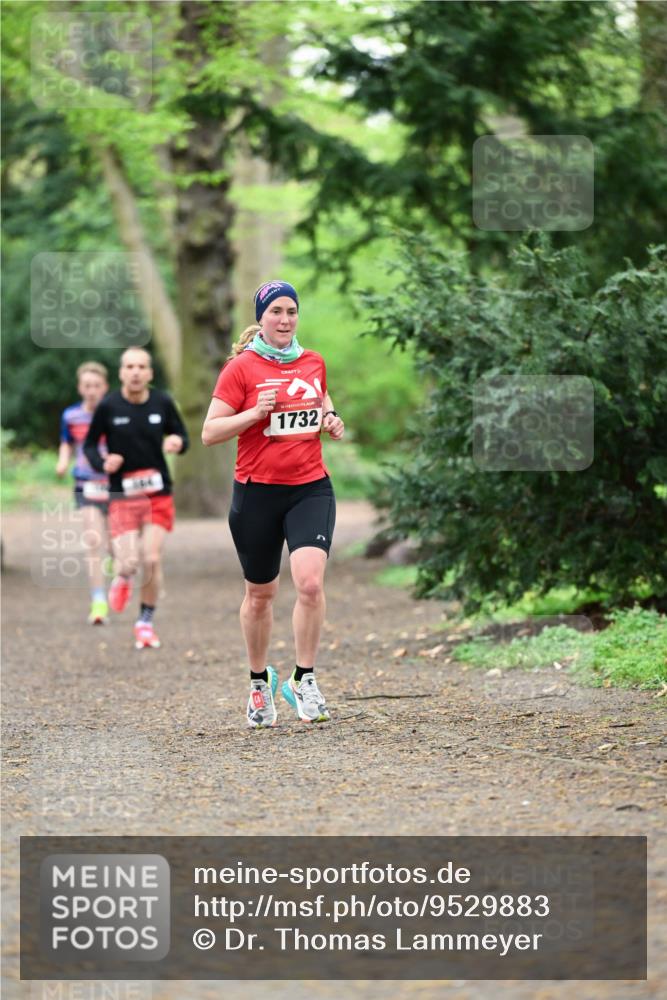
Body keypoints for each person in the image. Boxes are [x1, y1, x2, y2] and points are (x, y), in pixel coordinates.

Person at [202, 280, 345, 728]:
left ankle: (304, 680)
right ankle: (260, 682)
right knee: (260, 596)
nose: (285, 320)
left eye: (291, 311)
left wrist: (332, 421)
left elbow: (323, 405)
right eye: (276, 312)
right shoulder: (241, 370)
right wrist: (253, 414)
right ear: (261, 317)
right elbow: (210, 432)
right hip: (257, 493)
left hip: (309, 488)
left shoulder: (313, 362)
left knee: (309, 585)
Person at [83, 347, 189, 649]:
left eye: (142, 366)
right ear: (121, 373)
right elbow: (90, 446)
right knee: (128, 563)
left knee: (152, 558)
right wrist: (103, 462)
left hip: (157, 495)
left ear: (150, 373)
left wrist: (176, 441)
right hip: (123, 497)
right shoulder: (109, 406)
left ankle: (144, 622)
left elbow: (183, 438)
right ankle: (124, 577)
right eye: (129, 366)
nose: (136, 372)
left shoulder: (163, 402)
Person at [56, 361, 111, 625]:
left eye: (96, 386)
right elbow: (67, 443)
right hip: (85, 482)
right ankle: (98, 600)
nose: (91, 390)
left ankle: (114, 563)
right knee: (93, 541)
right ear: (80, 388)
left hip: (113, 485)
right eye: (87, 386)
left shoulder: (113, 413)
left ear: (105, 388)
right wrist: (62, 462)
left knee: (114, 543)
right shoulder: (70, 416)